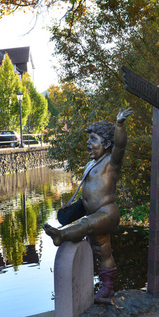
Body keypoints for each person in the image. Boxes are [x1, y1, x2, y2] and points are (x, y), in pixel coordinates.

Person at [43, 108, 132, 303]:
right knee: (102, 250)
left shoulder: (111, 162)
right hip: (94, 211)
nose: (88, 143)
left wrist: (119, 125)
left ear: (106, 143)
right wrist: (74, 208)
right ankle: (107, 289)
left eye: (93, 139)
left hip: (107, 213)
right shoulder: (91, 164)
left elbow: (120, 146)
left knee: (85, 224)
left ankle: (61, 235)